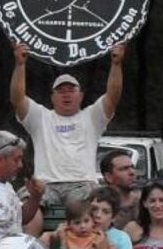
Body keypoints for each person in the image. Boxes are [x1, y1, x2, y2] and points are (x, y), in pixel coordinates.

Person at [10, 41, 125, 207]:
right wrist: (20, 65)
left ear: (81, 96)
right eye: (61, 91)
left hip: (82, 184)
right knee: (26, 207)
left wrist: (116, 64)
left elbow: (112, 96)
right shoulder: (40, 117)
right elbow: (17, 98)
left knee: (86, 207)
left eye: (71, 90)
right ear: (52, 97)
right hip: (45, 186)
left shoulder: (92, 117)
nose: (66, 95)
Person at [123, 181, 163, 249]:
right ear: (144, 203)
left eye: (162, 200)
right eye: (152, 201)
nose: (157, 205)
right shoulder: (132, 228)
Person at [40, 199, 109, 249]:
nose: (82, 226)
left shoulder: (98, 237)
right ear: (69, 224)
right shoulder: (64, 234)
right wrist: (58, 235)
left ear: (93, 221)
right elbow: (44, 240)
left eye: (86, 221)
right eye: (77, 223)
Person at [100, 151, 139, 229]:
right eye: (124, 169)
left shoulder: (145, 201)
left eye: (132, 167)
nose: (132, 172)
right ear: (109, 177)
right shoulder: (98, 205)